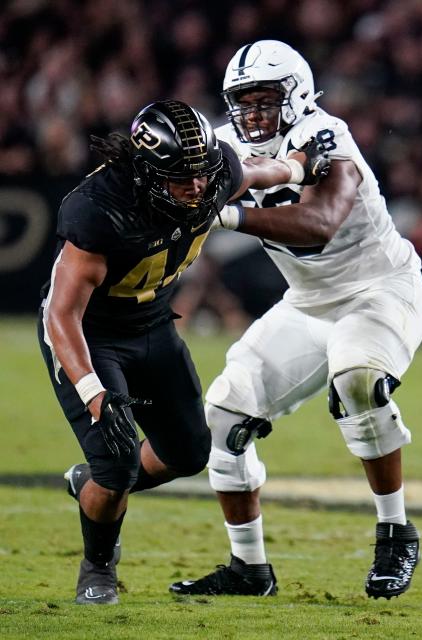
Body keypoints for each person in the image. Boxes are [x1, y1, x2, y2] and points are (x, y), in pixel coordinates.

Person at [40, 99, 326, 605]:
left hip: (152, 323)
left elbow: (257, 172)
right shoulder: (99, 208)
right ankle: (98, 565)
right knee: (118, 463)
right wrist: (92, 391)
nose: (196, 186)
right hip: (92, 334)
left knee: (190, 454)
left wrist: (299, 164)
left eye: (202, 173)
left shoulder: (213, 174)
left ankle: (97, 483)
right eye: (180, 176)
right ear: (146, 172)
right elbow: (61, 314)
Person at [169, 40, 422, 600]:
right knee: (223, 417)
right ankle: (248, 569)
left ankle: (394, 530)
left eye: (265, 100)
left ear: (299, 96)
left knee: (358, 379)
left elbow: (321, 222)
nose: (253, 113)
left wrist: (231, 214)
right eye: (243, 101)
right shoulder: (225, 143)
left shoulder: (325, 135)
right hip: (306, 304)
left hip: (380, 291)